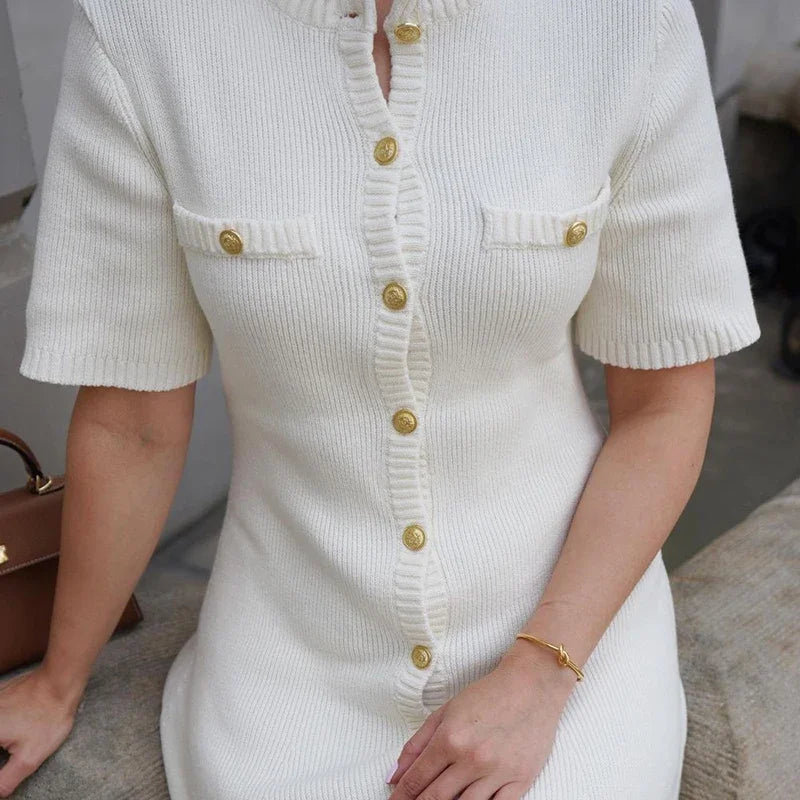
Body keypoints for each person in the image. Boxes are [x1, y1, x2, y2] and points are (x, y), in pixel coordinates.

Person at [0, 0, 761, 797]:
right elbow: (134, 423)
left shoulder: (625, 21)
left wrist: (541, 670)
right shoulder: (141, 29)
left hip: (572, 637)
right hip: (287, 660)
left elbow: (665, 407)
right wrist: (59, 685)